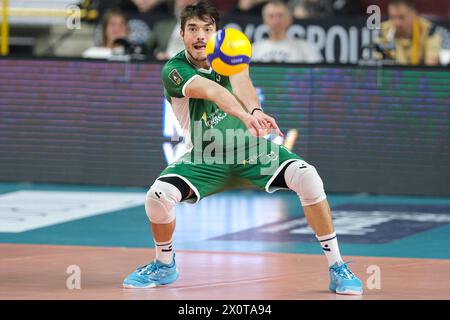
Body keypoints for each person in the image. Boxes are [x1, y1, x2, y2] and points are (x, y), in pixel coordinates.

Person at [122, 0, 363, 295]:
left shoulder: (229, 54)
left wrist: (256, 111)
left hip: (250, 151)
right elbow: (212, 90)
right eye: (193, 29)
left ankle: (337, 266)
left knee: (308, 175)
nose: (200, 36)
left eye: (207, 29)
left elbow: (242, 82)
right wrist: (245, 115)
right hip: (204, 157)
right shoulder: (174, 70)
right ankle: (164, 264)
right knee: (157, 198)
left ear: (215, 33)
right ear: (182, 34)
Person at [252, 0, 322, 63]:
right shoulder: (254, 49)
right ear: (264, 20)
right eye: (271, 16)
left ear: (289, 19)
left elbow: (318, 73)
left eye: (280, 16)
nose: (276, 21)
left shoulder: (305, 48)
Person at [376, 0, 441, 66]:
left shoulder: (428, 30)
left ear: (413, 14)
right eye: (393, 17)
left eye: (402, 17)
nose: (397, 23)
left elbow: (431, 64)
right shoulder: (383, 30)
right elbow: (376, 61)